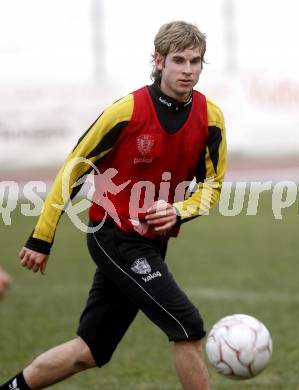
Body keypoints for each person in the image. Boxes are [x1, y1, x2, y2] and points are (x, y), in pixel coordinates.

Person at [0, 21, 227, 390]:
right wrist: (42, 238)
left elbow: (212, 187)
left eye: (195, 61)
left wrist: (179, 210)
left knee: (89, 350)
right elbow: (72, 170)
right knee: (188, 325)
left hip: (153, 240)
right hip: (113, 234)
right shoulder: (126, 111)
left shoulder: (211, 118)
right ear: (158, 61)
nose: (188, 70)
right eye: (179, 60)